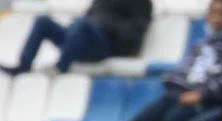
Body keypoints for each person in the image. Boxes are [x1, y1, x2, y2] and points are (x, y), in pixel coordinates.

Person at [127, 0, 222, 121]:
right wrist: (173, 82)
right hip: (182, 96)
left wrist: (202, 94)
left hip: (217, 104)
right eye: (214, 13)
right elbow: (185, 72)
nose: (218, 18)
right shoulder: (200, 45)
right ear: (208, 16)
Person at [0, 0, 152, 76]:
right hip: (82, 38)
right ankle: (24, 66)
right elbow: (89, 16)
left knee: (82, 25)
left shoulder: (142, 3)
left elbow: (135, 32)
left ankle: (61, 67)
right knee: (43, 22)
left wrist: (105, 25)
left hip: (106, 45)